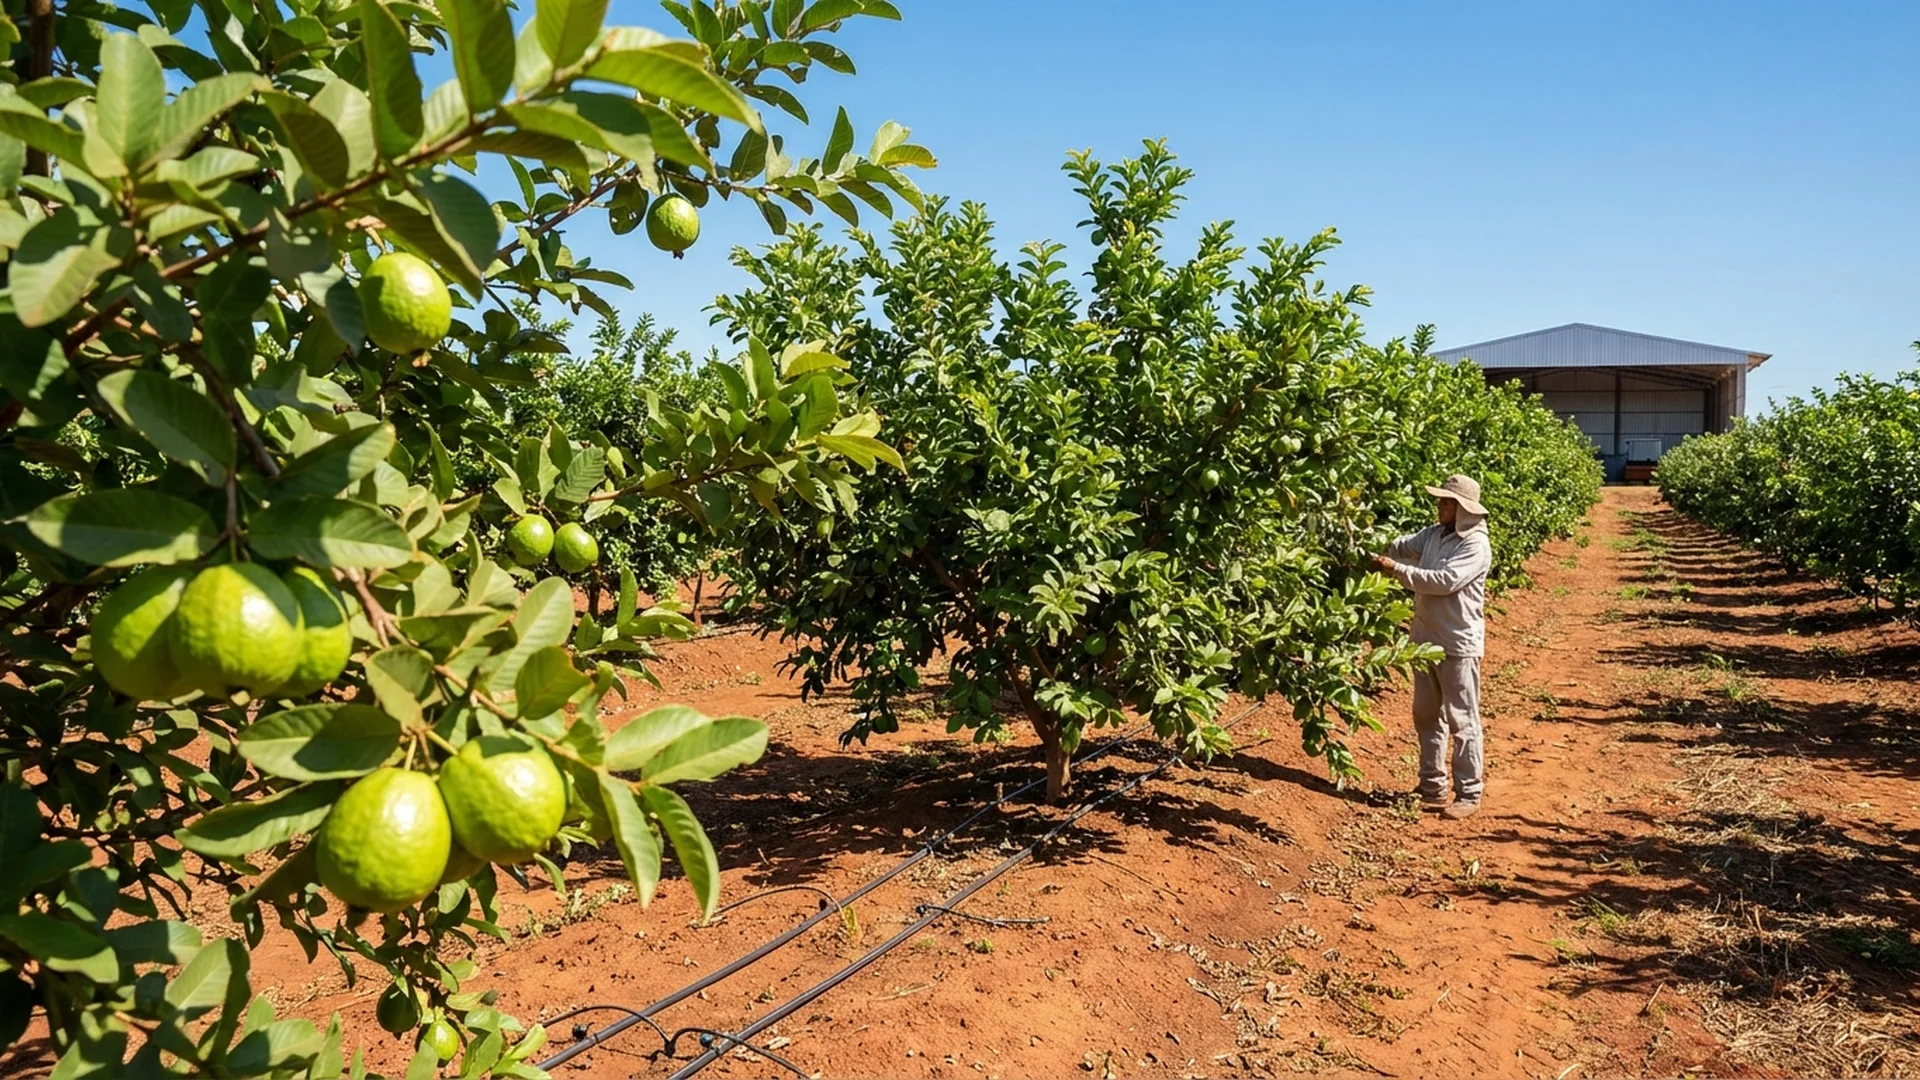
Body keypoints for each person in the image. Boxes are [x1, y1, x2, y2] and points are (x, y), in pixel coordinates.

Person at [1371, 474, 1493, 820]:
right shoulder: (1433, 534)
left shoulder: (1475, 545)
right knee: (1426, 715)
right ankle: (1431, 785)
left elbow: (1445, 582)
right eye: (1440, 501)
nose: (1439, 506)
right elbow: (1400, 545)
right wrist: (1363, 538)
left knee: (1462, 720)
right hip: (1424, 641)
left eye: (1446, 502)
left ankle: (1469, 792)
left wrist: (1395, 570)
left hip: (1457, 643)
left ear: (1463, 509)